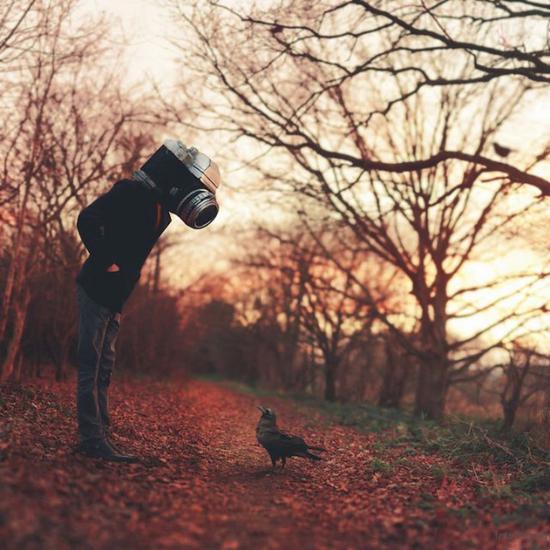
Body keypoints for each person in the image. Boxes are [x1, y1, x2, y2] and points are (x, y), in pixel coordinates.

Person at [74, 140, 221, 462]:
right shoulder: (130, 192)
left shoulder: (159, 210)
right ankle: (92, 440)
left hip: (115, 298)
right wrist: (106, 260)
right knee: (90, 366)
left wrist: (121, 285)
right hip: (96, 288)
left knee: (103, 369)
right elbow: (87, 218)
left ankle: (102, 430)